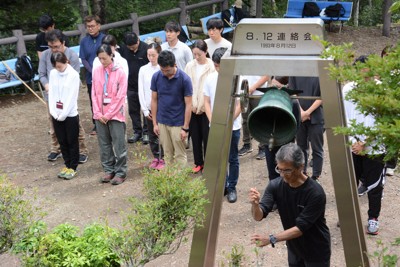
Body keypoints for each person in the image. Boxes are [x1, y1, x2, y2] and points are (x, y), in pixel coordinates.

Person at [249, 143, 331, 266]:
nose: (282, 174)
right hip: (294, 248)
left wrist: (271, 239)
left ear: (300, 167)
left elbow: (300, 228)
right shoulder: (275, 185)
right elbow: (258, 216)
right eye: (279, 169)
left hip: (316, 250)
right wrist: (255, 205)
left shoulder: (315, 193)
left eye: (287, 170)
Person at [343, 55, 386, 235]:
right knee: (349, 183)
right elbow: (346, 117)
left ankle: (373, 219)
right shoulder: (347, 89)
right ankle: (348, 217)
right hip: (352, 146)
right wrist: (354, 142)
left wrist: (365, 143)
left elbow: (383, 121)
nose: (365, 75)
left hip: (375, 148)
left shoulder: (381, 89)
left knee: (374, 186)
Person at [38, 29, 89, 164]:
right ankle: (56, 148)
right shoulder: (45, 56)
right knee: (53, 121)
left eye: (56, 46)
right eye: (50, 46)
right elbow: (42, 74)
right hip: (52, 96)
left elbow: (75, 76)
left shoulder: (71, 55)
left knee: (74, 123)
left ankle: (82, 150)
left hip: (68, 96)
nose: (53, 50)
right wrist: (47, 85)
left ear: (63, 43)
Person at [204, 47, 241, 203]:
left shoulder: (236, 78)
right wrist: (212, 120)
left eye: (221, 65)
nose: (218, 68)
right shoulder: (210, 79)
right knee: (220, 158)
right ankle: (223, 185)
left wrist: (229, 120)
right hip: (216, 125)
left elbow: (240, 104)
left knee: (232, 157)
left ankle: (232, 186)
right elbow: (206, 101)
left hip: (233, 126)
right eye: (216, 65)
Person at [92, 44, 128, 185]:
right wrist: (98, 112)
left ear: (111, 55)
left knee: (119, 145)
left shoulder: (120, 72)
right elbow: (94, 93)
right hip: (100, 114)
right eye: (100, 59)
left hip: (115, 115)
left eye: (105, 58)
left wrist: (109, 113)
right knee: (104, 144)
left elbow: (120, 96)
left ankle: (121, 172)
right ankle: (109, 170)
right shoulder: (96, 71)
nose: (102, 61)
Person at [151, 50, 192, 167]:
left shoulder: (184, 79)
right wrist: (155, 123)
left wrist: (185, 127)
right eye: (162, 70)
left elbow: (189, 104)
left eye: (167, 70)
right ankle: (170, 181)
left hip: (178, 122)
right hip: (162, 121)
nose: (164, 73)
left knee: (180, 155)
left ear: (175, 65)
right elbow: (154, 100)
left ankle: (180, 182)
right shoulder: (156, 76)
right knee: (167, 154)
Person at [48, 52, 80, 180]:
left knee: (71, 140)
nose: (58, 69)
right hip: (56, 113)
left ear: (66, 61)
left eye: (60, 66)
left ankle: (73, 166)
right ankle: (66, 164)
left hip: (70, 113)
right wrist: (53, 112)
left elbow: (72, 96)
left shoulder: (73, 75)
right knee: (62, 140)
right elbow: (52, 93)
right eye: (56, 67)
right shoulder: (53, 73)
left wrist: (64, 113)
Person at [184, 40, 215, 173]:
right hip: (192, 106)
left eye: (199, 54)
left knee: (207, 136)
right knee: (195, 137)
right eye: (194, 54)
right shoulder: (190, 66)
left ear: (205, 52)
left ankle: (208, 162)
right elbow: (186, 84)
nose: (196, 57)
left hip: (206, 107)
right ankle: (198, 162)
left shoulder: (212, 66)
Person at [288, 76, 324, 181]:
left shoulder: (320, 72)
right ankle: (301, 173)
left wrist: (307, 112)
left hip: (316, 116)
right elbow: (292, 92)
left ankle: (315, 176)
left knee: (317, 148)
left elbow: (322, 95)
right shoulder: (294, 72)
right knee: (301, 147)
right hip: (300, 115)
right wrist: (301, 112)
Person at [138, 38, 165, 170]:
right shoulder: (143, 69)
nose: (151, 58)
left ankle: (164, 157)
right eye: (149, 55)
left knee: (163, 133)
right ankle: (156, 156)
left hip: (162, 108)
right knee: (152, 133)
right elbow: (141, 90)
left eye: (153, 55)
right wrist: (144, 109)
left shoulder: (162, 69)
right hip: (148, 108)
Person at [119, 32, 149, 144]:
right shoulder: (123, 50)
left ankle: (147, 132)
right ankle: (137, 132)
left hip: (145, 86)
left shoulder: (146, 48)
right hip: (130, 85)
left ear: (138, 41)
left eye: (133, 46)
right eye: (129, 47)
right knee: (133, 110)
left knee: (146, 109)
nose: (132, 49)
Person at [79, 15, 106, 135]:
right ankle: (96, 123)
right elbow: (83, 58)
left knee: (106, 98)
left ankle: (107, 118)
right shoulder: (84, 41)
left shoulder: (105, 38)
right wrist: (92, 71)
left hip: (105, 75)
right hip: (91, 77)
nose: (90, 28)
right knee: (93, 99)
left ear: (98, 26)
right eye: (88, 26)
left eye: (93, 26)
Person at [237, 75, 269, 160]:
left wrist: (252, 88)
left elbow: (266, 76)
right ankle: (247, 144)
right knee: (245, 120)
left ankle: (263, 147)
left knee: (261, 121)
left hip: (258, 94)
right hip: (244, 93)